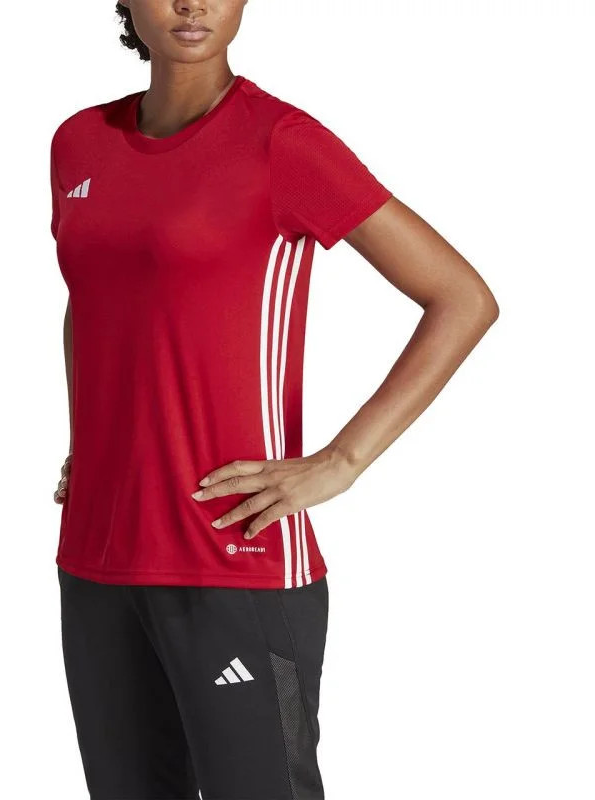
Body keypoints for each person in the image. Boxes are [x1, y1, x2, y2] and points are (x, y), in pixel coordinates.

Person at [49, 2, 499, 798]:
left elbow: (461, 299)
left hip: (235, 555)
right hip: (96, 556)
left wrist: (341, 461)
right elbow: (92, 297)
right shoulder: (79, 142)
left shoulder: (282, 143)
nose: (192, 4)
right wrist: (90, 440)